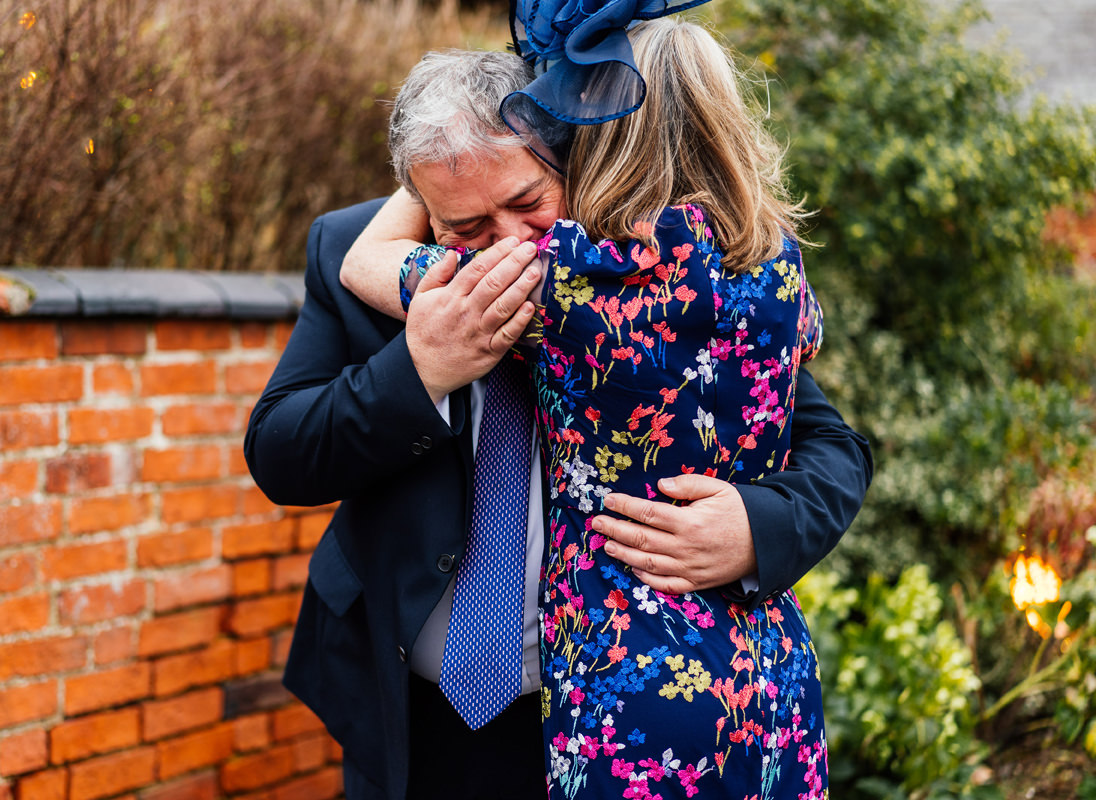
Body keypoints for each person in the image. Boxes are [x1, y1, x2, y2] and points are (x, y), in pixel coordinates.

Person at [244, 44, 872, 800]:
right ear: (421, 203)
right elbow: (280, 450)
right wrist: (420, 371)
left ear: (571, 157)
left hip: (602, 709)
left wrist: (755, 528)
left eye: (528, 201)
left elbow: (830, 444)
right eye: (467, 224)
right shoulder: (356, 253)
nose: (509, 242)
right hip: (411, 705)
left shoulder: (636, 269)